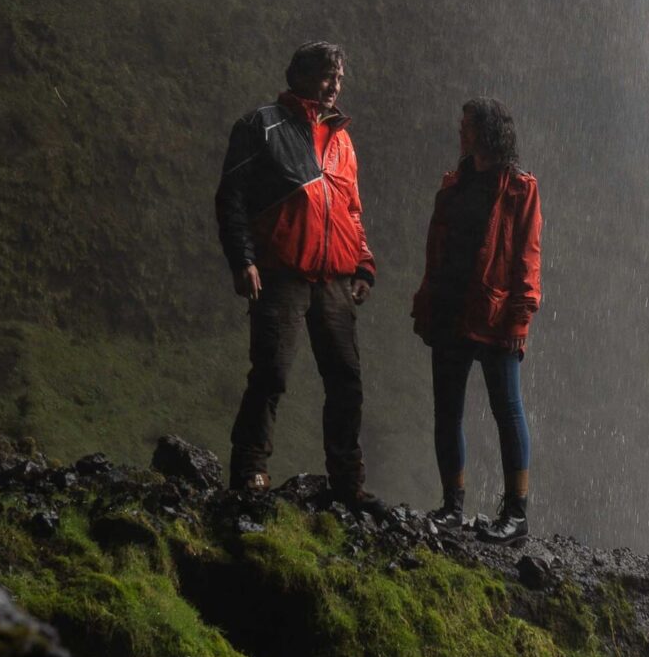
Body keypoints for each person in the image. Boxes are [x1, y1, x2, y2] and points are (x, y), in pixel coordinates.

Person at [215, 40, 375, 501]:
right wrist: (242, 259)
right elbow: (232, 198)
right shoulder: (261, 126)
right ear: (300, 75)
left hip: (336, 278)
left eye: (339, 77)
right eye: (327, 75)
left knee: (346, 378)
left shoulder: (342, 140)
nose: (334, 85)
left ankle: (348, 481)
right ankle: (249, 470)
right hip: (281, 271)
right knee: (271, 373)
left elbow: (351, 210)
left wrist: (363, 264)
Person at [412, 96, 541, 541]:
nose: (460, 131)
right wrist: (427, 296)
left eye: (466, 124)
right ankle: (451, 506)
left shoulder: (521, 188)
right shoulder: (453, 183)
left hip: (494, 314)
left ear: (487, 131)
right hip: (450, 309)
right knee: (447, 411)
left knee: (507, 410)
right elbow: (439, 250)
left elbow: (528, 257)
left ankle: (517, 514)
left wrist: (520, 317)